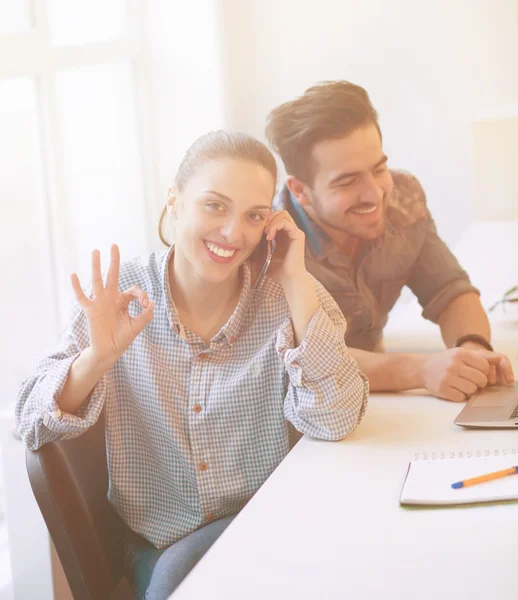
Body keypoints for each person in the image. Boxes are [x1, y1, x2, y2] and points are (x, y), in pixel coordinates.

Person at [15, 131, 368, 599]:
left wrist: (294, 278)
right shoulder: (122, 296)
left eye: (253, 216)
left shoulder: (287, 294)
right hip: (164, 554)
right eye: (215, 205)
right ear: (175, 201)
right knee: (182, 574)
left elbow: (336, 417)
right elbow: (29, 420)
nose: (233, 233)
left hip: (277, 534)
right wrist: (98, 358)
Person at [266, 81, 514, 403]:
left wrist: (472, 350)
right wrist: (421, 370)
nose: (376, 193)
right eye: (347, 181)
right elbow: (305, 359)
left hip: (379, 400)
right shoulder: (272, 243)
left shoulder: (403, 197)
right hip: (310, 415)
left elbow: (449, 290)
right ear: (300, 191)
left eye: (379, 168)